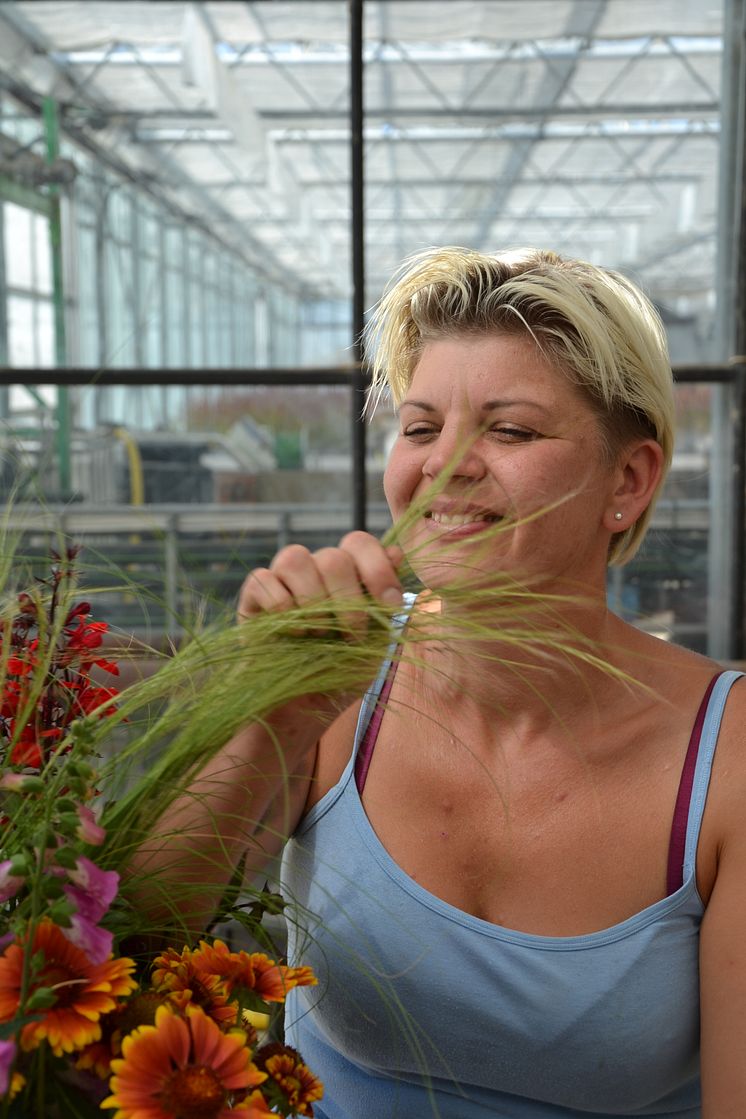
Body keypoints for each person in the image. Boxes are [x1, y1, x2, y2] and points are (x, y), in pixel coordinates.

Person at [138, 247, 746, 1118]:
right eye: (421, 427)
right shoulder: (338, 682)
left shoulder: (728, 756)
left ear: (629, 480)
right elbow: (129, 936)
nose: (445, 463)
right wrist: (271, 711)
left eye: (510, 430)